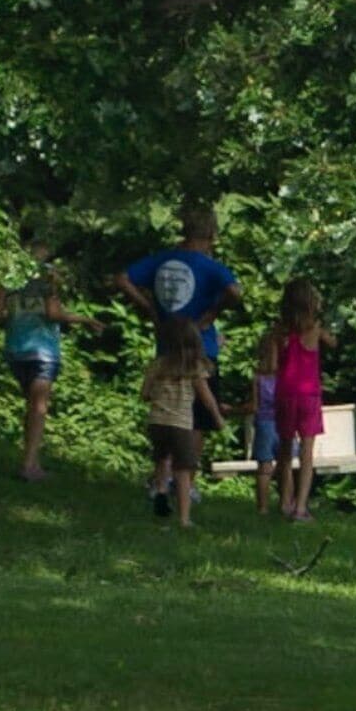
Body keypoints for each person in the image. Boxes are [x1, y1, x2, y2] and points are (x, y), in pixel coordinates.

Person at [119, 202, 241, 512]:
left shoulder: (162, 260)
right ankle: (187, 480)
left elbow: (122, 278)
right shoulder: (209, 266)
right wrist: (212, 312)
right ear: (211, 233)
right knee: (197, 416)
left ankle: (160, 480)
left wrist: (149, 309)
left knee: (165, 410)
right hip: (201, 350)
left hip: (166, 349)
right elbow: (236, 293)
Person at [0, 257, 71, 481]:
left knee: (31, 405)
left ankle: (32, 461)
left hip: (16, 349)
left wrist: (18, 317)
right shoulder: (49, 278)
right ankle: (28, 467)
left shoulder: (7, 277)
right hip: (44, 350)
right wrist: (83, 319)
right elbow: (53, 314)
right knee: (39, 407)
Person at [260, 281, 330, 522]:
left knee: (285, 452)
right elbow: (334, 343)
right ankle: (301, 507)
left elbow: (271, 365)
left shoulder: (279, 332)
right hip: (309, 394)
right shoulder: (315, 328)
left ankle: (284, 502)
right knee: (307, 453)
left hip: (285, 393)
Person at [140, 317, 209, 527]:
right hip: (180, 424)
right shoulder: (194, 368)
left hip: (157, 422)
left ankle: (161, 499)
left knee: (162, 462)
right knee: (183, 470)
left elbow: (144, 394)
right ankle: (184, 518)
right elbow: (207, 397)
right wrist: (217, 417)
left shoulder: (158, 365)